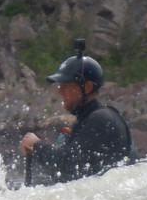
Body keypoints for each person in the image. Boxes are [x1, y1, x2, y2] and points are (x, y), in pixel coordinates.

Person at [20, 44, 137, 184]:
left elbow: (67, 163)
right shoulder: (89, 119)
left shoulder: (101, 119)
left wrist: (36, 145)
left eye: (66, 86)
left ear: (87, 87)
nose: (59, 90)